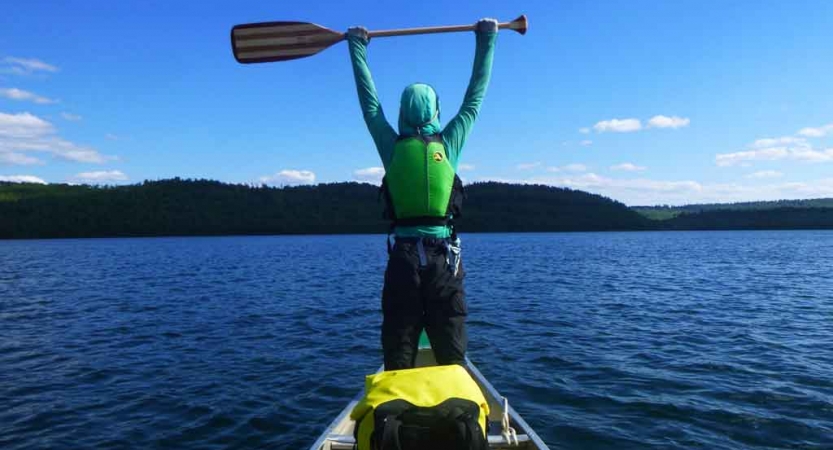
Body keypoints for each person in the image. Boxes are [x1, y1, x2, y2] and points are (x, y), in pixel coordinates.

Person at [347, 18, 498, 370]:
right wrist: (487, 39)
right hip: (444, 261)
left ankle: (394, 419)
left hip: (404, 259)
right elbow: (475, 96)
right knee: (451, 357)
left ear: (402, 111)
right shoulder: (449, 142)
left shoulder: (391, 145)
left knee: (399, 356)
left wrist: (357, 47)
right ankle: (456, 418)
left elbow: (370, 105)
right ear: (435, 110)